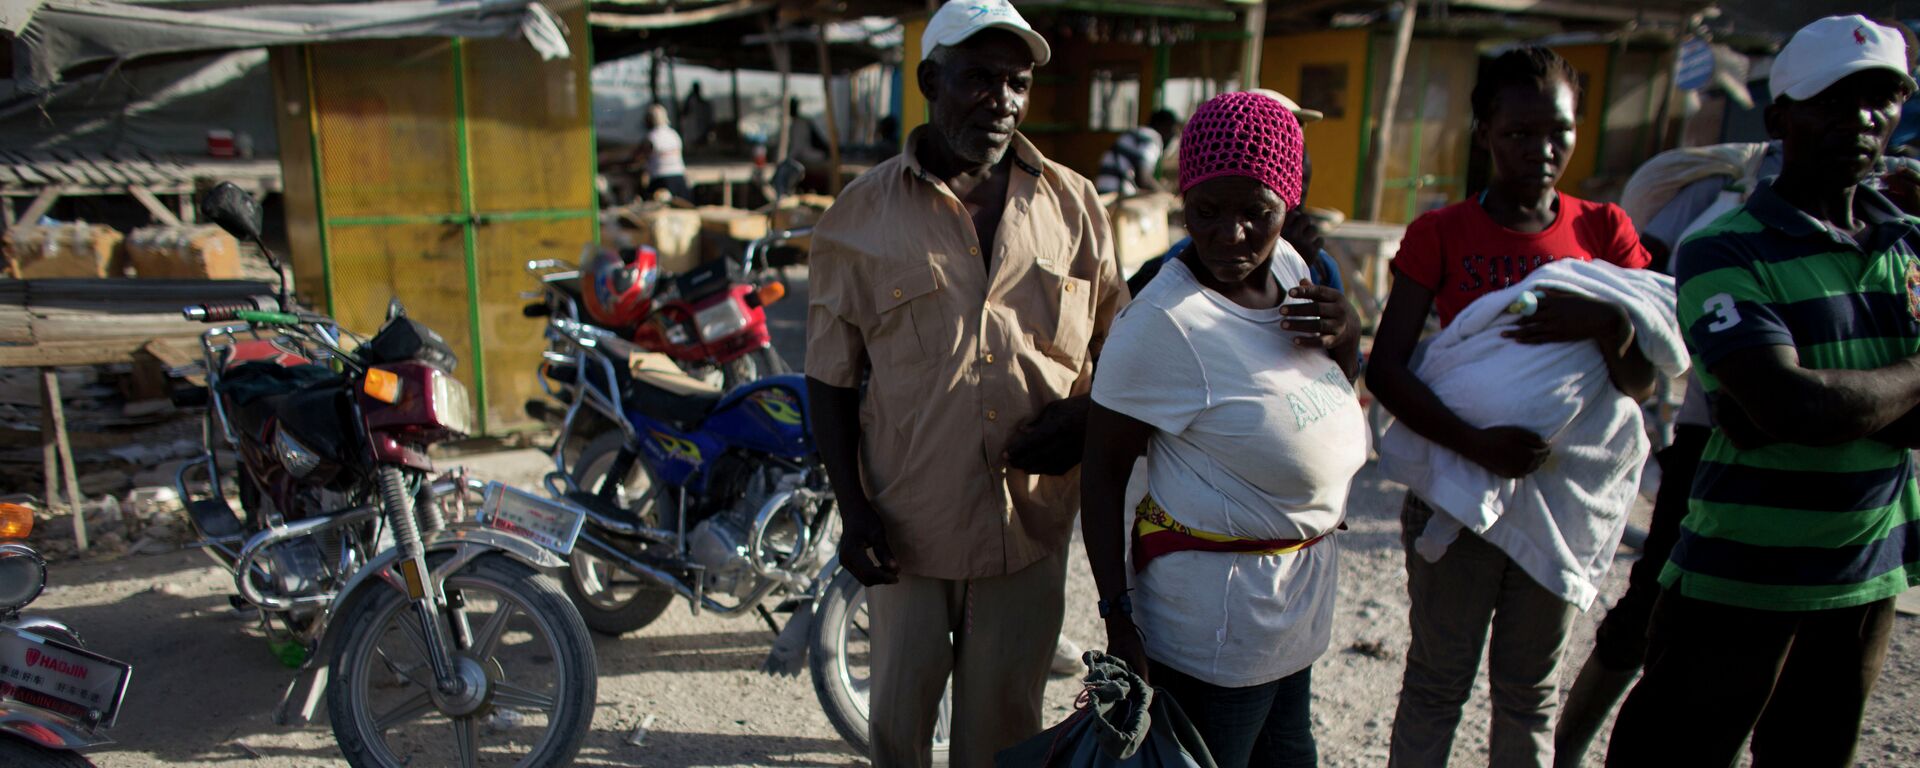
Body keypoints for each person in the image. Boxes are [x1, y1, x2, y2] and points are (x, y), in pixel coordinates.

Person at [803, 1, 1126, 765]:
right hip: (907, 525)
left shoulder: (1075, 206)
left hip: (1031, 524)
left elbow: (1123, 352)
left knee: (1009, 730)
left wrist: (1084, 420)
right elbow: (829, 379)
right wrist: (852, 511)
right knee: (899, 728)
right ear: (928, 80)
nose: (1002, 101)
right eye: (979, 79)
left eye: (1017, 83)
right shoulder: (858, 217)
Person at [1606, 16, 1920, 766]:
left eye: (1882, 99)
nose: (1864, 120)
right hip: (1738, 579)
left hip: (1864, 579)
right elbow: (1789, 407)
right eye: (1836, 100)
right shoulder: (1727, 246)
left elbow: (1798, 410)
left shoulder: (1907, 245)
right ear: (1780, 116)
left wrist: (1836, 401)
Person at [1366, 47, 1656, 768]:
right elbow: (1387, 368)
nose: (1543, 149)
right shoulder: (1442, 233)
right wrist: (1473, 443)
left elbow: (1642, 382)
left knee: (1529, 691)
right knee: (1438, 682)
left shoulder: (1605, 233)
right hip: (1463, 490)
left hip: (1560, 496)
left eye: (1558, 131)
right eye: (1521, 132)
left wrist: (1605, 325)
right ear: (1485, 132)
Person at [1081, 91, 1365, 768]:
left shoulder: (1292, 271)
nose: (1229, 235)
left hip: (1289, 620)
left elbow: (1328, 393)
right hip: (1216, 636)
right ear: (1182, 201)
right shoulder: (1163, 322)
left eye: (1255, 213)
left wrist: (1347, 334)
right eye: (1205, 211)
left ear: (1288, 205)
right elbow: (1102, 472)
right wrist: (1119, 619)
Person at [1128, 90, 1339, 297]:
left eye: (1296, 142)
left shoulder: (1321, 267)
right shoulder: (1186, 265)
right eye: (1268, 144)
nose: (1288, 162)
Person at [1096, 108, 1179, 196]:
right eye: (1172, 131)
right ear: (1164, 126)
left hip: (1104, 191)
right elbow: (1143, 180)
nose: (1172, 136)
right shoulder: (1151, 138)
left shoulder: (1137, 133)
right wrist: (1167, 193)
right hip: (1116, 195)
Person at [637, 103, 690, 201]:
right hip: (679, 178)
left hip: (661, 181)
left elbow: (639, 158)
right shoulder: (674, 135)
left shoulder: (652, 138)